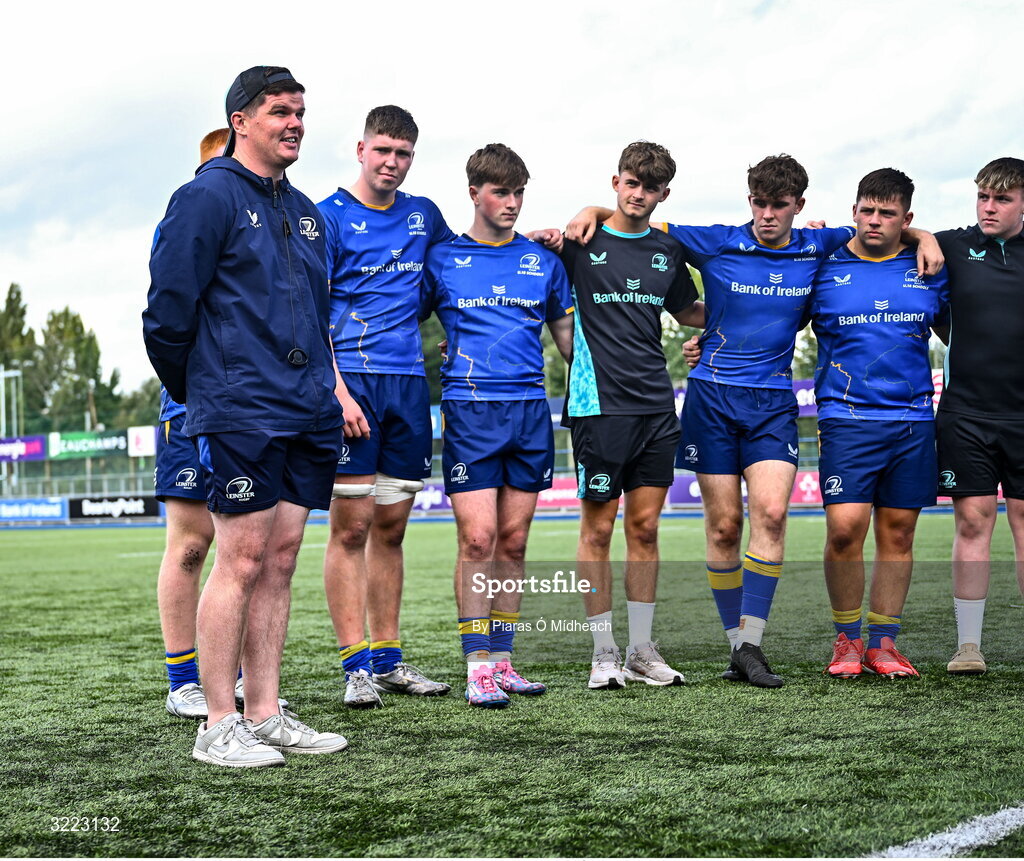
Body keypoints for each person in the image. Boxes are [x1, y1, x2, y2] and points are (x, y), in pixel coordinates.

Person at [570, 154, 941, 688]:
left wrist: (925, 236)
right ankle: (732, 646)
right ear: (750, 201)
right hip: (712, 398)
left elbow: (884, 226)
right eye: (759, 203)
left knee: (770, 514)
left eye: (779, 205)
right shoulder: (714, 239)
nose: (768, 214)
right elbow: (638, 213)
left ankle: (751, 644)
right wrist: (592, 207)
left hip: (772, 401)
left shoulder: (820, 243)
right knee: (724, 526)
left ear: (799, 206)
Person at [316, 107, 561, 707]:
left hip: (408, 389)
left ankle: (392, 660)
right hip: (353, 384)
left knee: (392, 528)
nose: (392, 163)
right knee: (351, 527)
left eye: (403, 153)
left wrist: (550, 236)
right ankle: (355, 667)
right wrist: (337, 389)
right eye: (383, 151)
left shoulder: (425, 218)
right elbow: (309, 308)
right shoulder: (326, 217)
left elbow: (474, 274)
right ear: (360, 149)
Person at [144, 66, 348, 767]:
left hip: (306, 409)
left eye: (299, 112)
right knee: (240, 559)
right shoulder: (205, 197)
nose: (293, 123)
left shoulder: (308, 212)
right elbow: (167, 313)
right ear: (241, 120)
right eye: (278, 111)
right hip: (241, 409)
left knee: (282, 559)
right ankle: (216, 723)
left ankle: (264, 711)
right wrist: (208, 390)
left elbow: (321, 319)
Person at [420, 143, 574, 707]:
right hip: (468, 410)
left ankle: (504, 660)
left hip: (530, 412)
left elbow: (570, 346)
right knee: (478, 538)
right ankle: (476, 664)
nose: (512, 203)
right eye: (501, 192)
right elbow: (395, 316)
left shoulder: (544, 263)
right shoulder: (441, 259)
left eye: (518, 193)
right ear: (474, 194)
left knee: (512, 540)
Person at [561, 141, 704, 690]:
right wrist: (585, 211)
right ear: (615, 182)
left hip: (655, 405)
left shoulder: (668, 251)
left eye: (651, 187)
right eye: (631, 183)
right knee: (597, 529)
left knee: (644, 529)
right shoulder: (582, 241)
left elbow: (689, 311)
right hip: (599, 406)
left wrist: (756, 308)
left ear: (663, 193)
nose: (639, 194)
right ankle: (603, 652)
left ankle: (642, 650)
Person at [809, 168, 948, 679]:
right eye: (866, 210)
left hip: (912, 418)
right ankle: (846, 640)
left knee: (899, 532)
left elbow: (967, 329)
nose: (874, 220)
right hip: (845, 417)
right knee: (845, 530)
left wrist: (926, 238)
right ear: (853, 211)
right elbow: (770, 309)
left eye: (887, 213)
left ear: (906, 218)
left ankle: (883, 643)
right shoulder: (824, 263)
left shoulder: (928, 265)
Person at [935, 157, 1024, 675]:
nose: (989, 208)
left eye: (1003, 199)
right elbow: (897, 229)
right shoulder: (953, 245)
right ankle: (969, 646)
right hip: (966, 413)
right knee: (973, 521)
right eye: (983, 197)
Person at [155, 128, 226, 720]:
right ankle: (184, 680)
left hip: (255, 407)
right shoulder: (186, 214)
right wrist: (185, 390)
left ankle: (235, 680)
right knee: (190, 545)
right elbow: (166, 315)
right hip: (189, 407)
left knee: (248, 551)